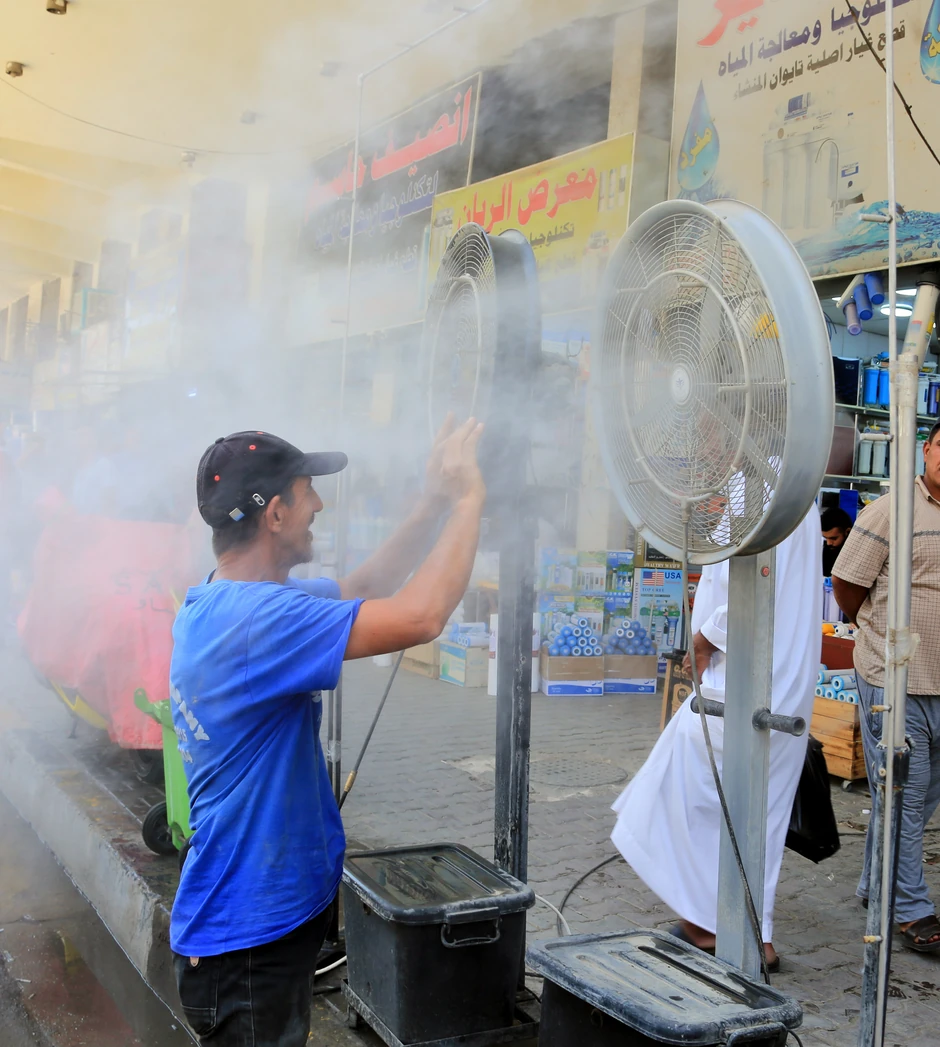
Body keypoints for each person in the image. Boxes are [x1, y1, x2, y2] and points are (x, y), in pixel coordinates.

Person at [170, 418, 485, 1046]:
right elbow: (421, 616)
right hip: (247, 945)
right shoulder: (257, 621)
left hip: (255, 930)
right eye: (307, 491)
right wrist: (471, 499)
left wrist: (432, 502)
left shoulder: (228, 600)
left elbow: (364, 589)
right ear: (276, 514)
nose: (319, 504)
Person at [610, 503, 822, 971]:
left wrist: (705, 638)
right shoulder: (785, 489)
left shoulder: (770, 493)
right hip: (764, 672)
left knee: (681, 786)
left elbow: (758, 577)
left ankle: (714, 926)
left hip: (751, 673)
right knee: (750, 809)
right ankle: (739, 928)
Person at [832, 419, 940, 953]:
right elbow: (847, 583)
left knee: (914, 801)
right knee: (904, 796)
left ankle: (874, 883)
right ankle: (911, 910)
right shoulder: (892, 509)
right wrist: (872, 634)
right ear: (927, 449)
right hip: (893, 679)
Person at [820, 506, 853, 577]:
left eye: (834, 538)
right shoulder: (826, 549)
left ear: (847, 532)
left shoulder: (857, 555)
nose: (829, 543)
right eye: (826, 538)